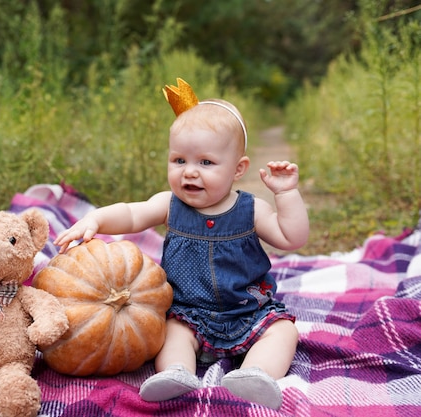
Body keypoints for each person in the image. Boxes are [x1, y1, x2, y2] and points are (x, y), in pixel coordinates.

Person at [54, 85, 309, 410]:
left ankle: (256, 375)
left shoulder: (251, 209)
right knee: (170, 334)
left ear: (238, 169)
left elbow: (292, 237)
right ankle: (177, 373)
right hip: (187, 312)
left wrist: (286, 194)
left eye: (206, 162)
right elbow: (132, 214)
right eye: (179, 160)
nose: (189, 171)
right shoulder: (169, 205)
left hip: (249, 311)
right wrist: (96, 220)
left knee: (284, 331)